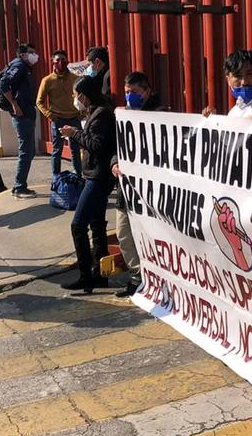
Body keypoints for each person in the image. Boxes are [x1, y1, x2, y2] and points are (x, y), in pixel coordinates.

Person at [58, 76, 117, 293]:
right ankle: (100, 273)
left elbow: (98, 146)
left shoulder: (101, 114)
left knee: (78, 224)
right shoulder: (95, 111)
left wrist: (74, 134)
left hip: (98, 176)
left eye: (75, 96)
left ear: (83, 95)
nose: (75, 100)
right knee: (97, 224)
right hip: (94, 173)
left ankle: (85, 274)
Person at [111, 72, 164, 298]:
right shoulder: (124, 117)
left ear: (147, 91)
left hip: (151, 192)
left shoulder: (161, 115)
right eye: (127, 92)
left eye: (135, 92)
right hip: (126, 189)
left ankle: (159, 277)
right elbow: (116, 148)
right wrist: (114, 163)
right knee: (124, 234)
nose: (130, 96)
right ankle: (137, 276)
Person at [0, 43, 39, 198]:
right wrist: (14, 104)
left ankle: (21, 185)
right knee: (26, 151)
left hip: (26, 113)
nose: (35, 55)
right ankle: (19, 187)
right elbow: (3, 84)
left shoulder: (23, 67)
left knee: (29, 151)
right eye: (31, 52)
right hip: (22, 115)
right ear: (23, 54)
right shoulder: (19, 65)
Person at [36, 50, 83, 178]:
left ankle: (78, 176)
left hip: (74, 118)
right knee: (57, 150)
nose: (61, 62)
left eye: (63, 59)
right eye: (57, 60)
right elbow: (39, 102)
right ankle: (56, 177)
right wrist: (50, 115)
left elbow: (82, 98)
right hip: (58, 120)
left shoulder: (75, 78)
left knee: (75, 150)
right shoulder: (47, 80)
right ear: (53, 62)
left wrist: (81, 113)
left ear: (67, 61)